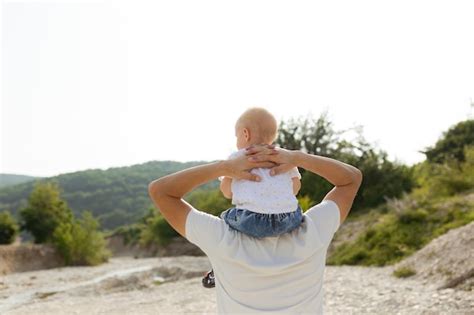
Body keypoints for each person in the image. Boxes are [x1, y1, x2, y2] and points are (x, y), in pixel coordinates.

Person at [148, 141, 363, 314]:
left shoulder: (221, 238)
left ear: (236, 191)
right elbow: (351, 179)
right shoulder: (313, 230)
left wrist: (223, 168)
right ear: (290, 187)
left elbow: (161, 191)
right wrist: (297, 158)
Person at [202, 107, 304, 288]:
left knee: (225, 219)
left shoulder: (237, 158)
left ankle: (218, 269)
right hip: (289, 219)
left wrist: (231, 179)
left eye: (236, 137)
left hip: (252, 220)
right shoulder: (284, 156)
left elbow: (227, 192)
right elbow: (295, 187)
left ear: (245, 134)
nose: (236, 141)